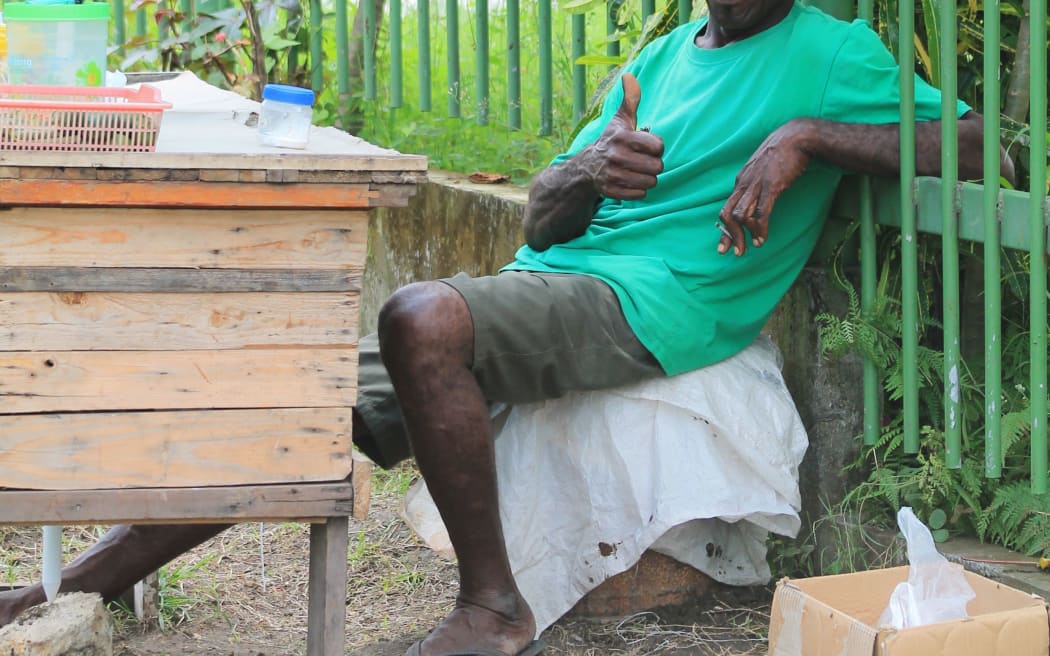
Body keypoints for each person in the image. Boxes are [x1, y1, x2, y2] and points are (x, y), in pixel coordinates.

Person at [0, 0, 1011, 654]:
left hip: (659, 303)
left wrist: (806, 137)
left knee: (423, 312)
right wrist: (586, 171)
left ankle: (493, 609)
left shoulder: (831, 54)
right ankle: (69, 588)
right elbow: (541, 217)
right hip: (556, 274)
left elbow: (986, 149)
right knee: (294, 393)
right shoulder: (660, 56)